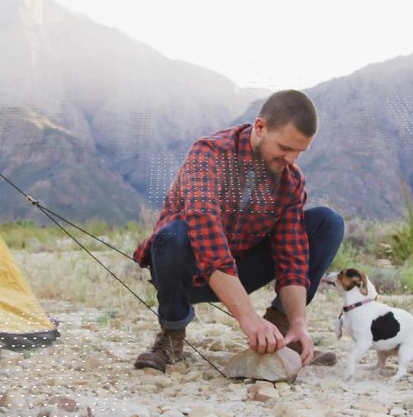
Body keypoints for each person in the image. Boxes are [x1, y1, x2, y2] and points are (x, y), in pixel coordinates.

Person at [131, 89, 344, 373]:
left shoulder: (290, 179)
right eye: (284, 148)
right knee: (172, 236)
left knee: (327, 222)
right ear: (260, 127)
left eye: (299, 152)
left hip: (240, 273)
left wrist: (298, 323)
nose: (291, 159)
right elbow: (205, 234)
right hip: (187, 271)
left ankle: (282, 334)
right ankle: (171, 336)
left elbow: (292, 258)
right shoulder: (209, 153)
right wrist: (248, 318)